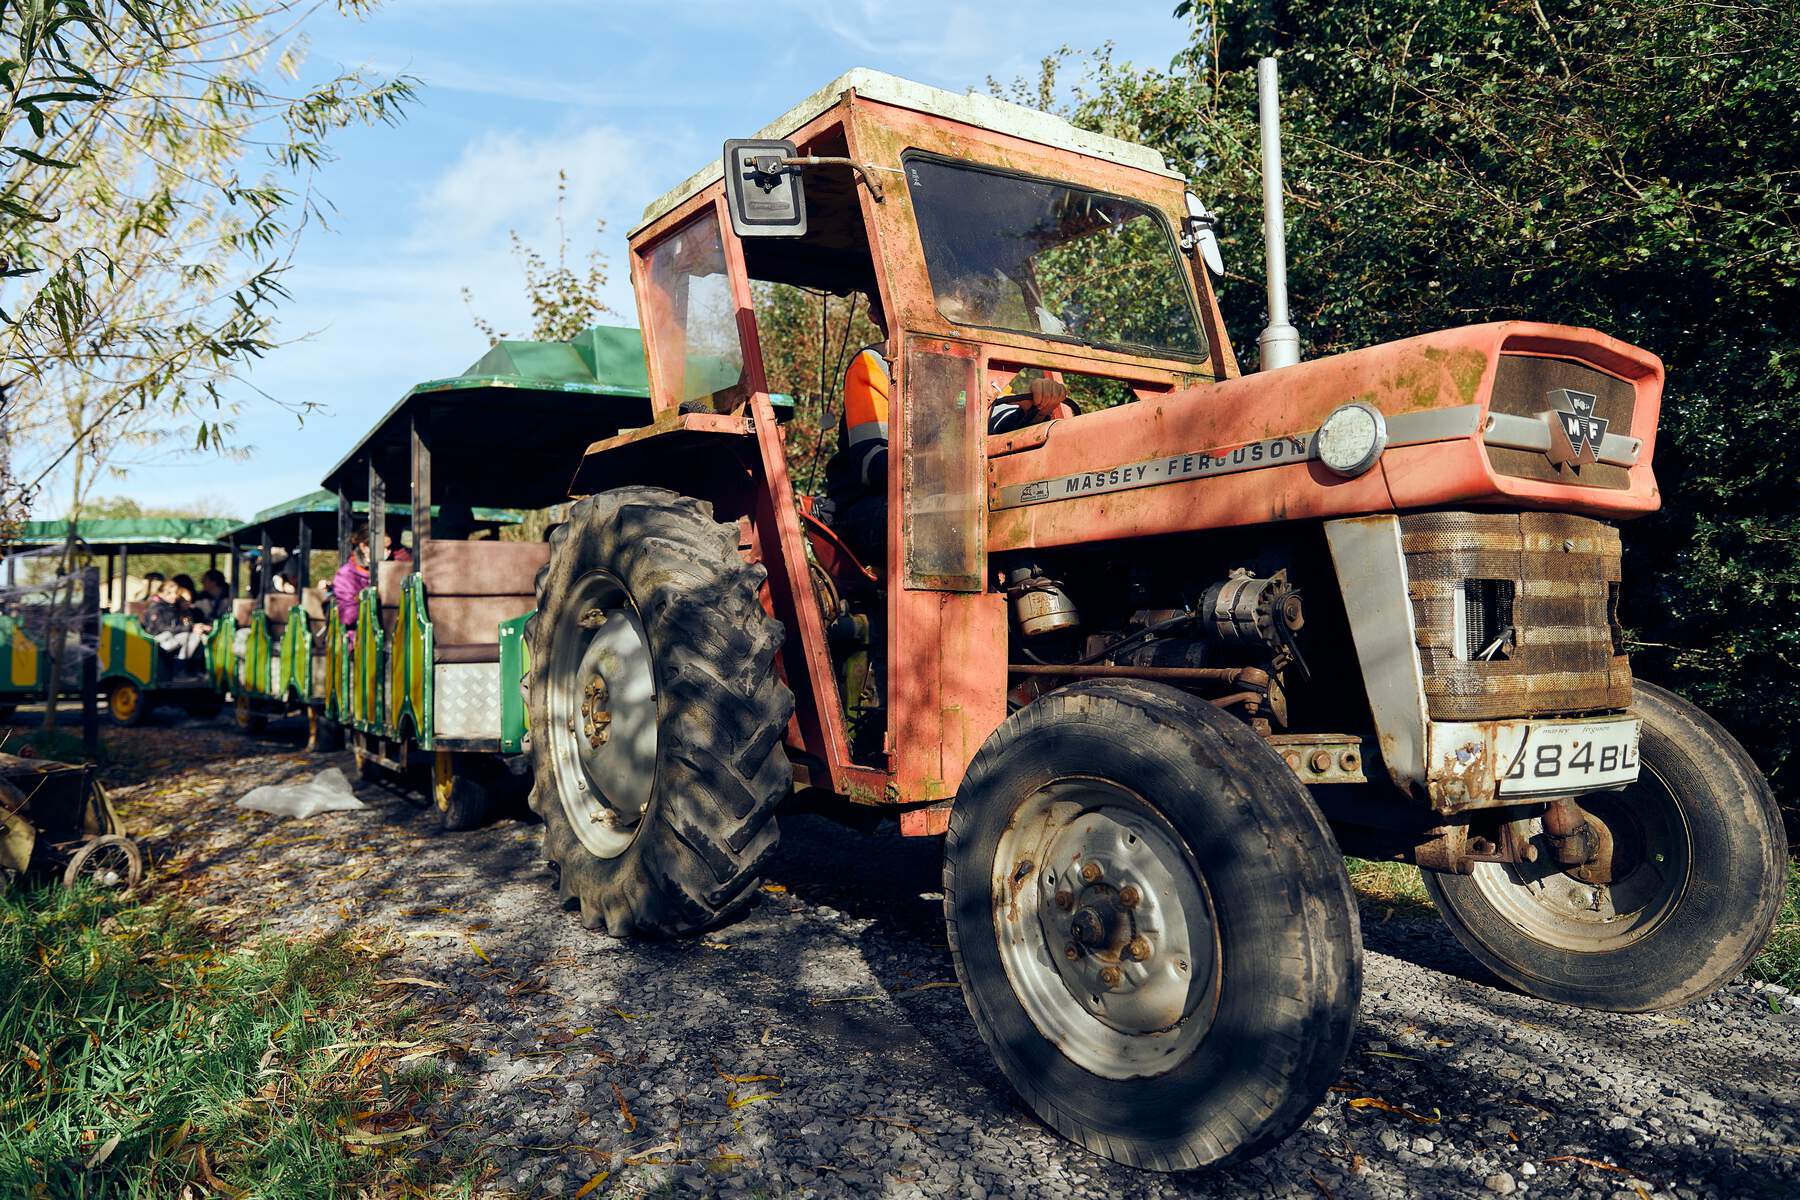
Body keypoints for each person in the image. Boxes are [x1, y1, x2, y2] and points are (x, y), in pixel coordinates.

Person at [823, 310, 1068, 565]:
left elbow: (997, 416)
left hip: (943, 501)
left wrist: (1033, 409)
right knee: (963, 519)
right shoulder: (876, 363)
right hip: (868, 507)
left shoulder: (969, 365)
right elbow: (871, 465)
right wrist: (941, 462)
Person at [145, 577, 207, 663]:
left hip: (171, 637)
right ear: (161, 593)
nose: (174, 596)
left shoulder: (173, 607)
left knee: (198, 637)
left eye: (176, 593)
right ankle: (180, 666)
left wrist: (194, 626)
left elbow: (185, 622)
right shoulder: (156, 608)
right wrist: (190, 628)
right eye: (170, 593)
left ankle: (186, 666)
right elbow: (162, 628)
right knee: (182, 636)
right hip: (157, 640)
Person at [332, 525, 372, 630]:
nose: (387, 552)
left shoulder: (389, 572)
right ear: (363, 547)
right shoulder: (345, 574)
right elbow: (346, 616)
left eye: (389, 548)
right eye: (383, 548)